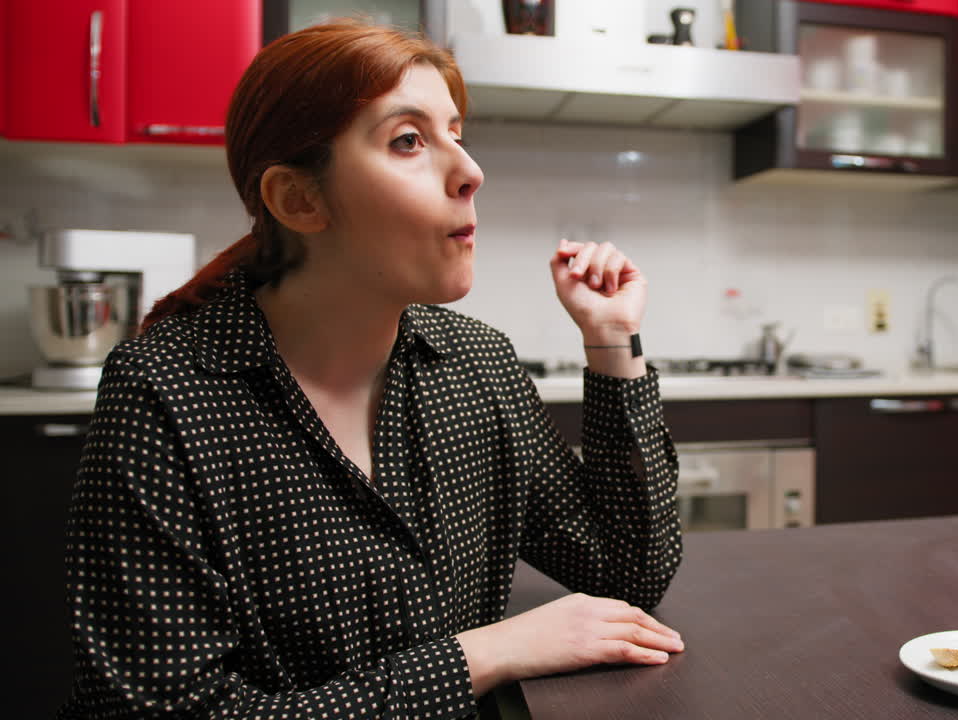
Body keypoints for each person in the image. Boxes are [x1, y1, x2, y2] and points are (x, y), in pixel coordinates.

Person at [60, 19, 683, 719]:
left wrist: (613, 341)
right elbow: (161, 711)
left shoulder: (478, 365)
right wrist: (484, 654)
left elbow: (627, 569)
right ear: (299, 200)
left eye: (457, 133)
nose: (470, 171)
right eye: (409, 141)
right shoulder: (167, 394)